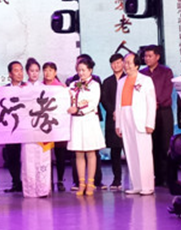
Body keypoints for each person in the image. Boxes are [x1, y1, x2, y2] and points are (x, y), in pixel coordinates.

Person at [115, 53, 157, 195]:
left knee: (143, 153)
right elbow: (118, 104)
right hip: (125, 116)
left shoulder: (146, 80)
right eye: (125, 62)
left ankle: (147, 186)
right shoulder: (121, 81)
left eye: (128, 62)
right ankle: (137, 185)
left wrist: (150, 123)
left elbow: (151, 103)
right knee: (130, 152)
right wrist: (118, 124)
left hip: (140, 119)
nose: (125, 65)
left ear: (137, 65)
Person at [67, 55, 105, 196]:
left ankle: (91, 183)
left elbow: (93, 103)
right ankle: (81, 183)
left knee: (90, 152)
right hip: (76, 122)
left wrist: (78, 109)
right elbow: (68, 99)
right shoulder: (73, 84)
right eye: (79, 70)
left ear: (90, 70)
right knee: (78, 152)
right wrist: (71, 106)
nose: (81, 73)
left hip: (89, 120)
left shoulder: (94, 85)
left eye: (83, 70)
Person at [141, 44, 174, 187]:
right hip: (148, 113)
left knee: (165, 145)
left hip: (163, 112)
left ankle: (168, 177)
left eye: (150, 56)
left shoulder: (166, 72)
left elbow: (167, 92)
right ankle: (156, 176)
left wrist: (155, 102)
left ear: (157, 57)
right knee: (152, 146)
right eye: (145, 56)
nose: (147, 59)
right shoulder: (142, 73)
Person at [22, 57, 52, 198]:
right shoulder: (22, 88)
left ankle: (43, 189)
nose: (34, 73)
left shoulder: (45, 88)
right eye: (31, 71)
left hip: (43, 127)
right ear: (27, 72)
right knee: (28, 158)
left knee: (43, 158)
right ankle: (30, 189)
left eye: (36, 71)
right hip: (28, 128)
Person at [100, 53, 126, 191]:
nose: (115, 65)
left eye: (118, 62)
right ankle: (117, 180)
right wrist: (113, 111)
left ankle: (136, 180)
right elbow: (104, 100)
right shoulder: (107, 81)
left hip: (127, 118)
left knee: (130, 150)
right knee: (115, 151)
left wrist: (122, 112)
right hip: (113, 119)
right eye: (113, 63)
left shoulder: (128, 79)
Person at [43, 61, 68, 191]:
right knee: (45, 155)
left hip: (58, 125)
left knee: (60, 154)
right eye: (45, 70)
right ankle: (48, 180)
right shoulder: (39, 87)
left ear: (55, 72)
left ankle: (60, 180)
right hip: (43, 126)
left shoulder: (61, 88)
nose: (48, 73)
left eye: (50, 70)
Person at [3, 60, 25, 193]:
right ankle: (16, 182)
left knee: (27, 157)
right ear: (10, 74)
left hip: (26, 127)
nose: (20, 73)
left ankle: (28, 182)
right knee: (12, 157)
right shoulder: (4, 90)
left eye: (21, 70)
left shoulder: (28, 88)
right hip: (11, 128)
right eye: (16, 71)